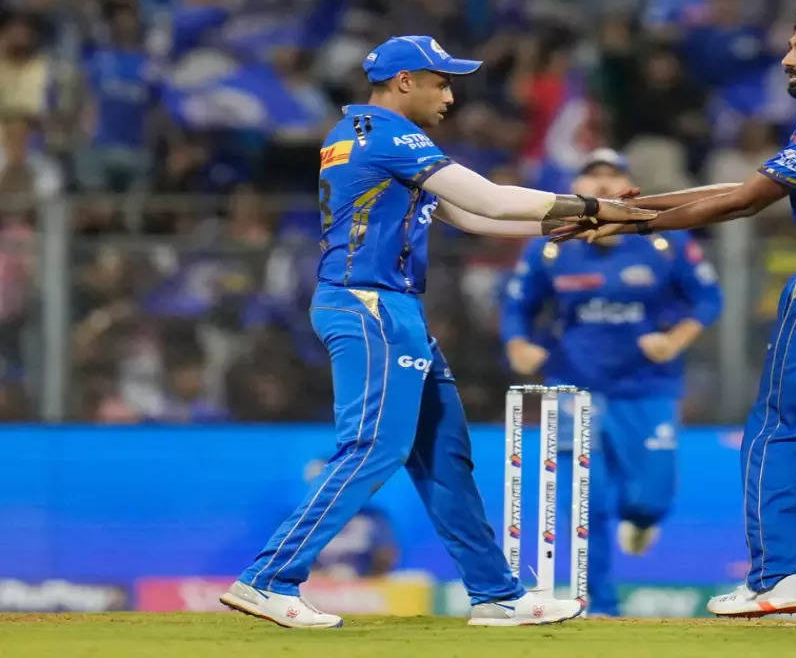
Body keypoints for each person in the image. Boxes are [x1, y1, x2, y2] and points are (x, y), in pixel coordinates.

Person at [219, 34, 655, 629]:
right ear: (404, 83)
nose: (450, 95)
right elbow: (493, 199)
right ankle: (268, 578)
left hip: (391, 310)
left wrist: (573, 224)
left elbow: (476, 217)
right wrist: (593, 208)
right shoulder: (392, 135)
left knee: (444, 455)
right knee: (373, 447)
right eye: (441, 81)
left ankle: (496, 594)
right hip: (370, 304)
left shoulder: (366, 136)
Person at [556, 11, 796, 629]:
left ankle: (775, 580)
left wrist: (632, 222)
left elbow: (744, 201)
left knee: (779, 425)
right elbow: (755, 182)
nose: (789, 60)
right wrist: (637, 204)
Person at [500, 148, 723, 616]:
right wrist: (517, 344)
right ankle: (599, 605)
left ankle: (642, 519)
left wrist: (676, 339)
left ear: (628, 188)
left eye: (612, 175)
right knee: (588, 503)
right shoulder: (550, 246)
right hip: (573, 385)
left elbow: (708, 297)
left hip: (648, 386)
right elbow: (517, 306)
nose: (602, 185)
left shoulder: (667, 242)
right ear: (575, 189)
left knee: (648, 500)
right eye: (591, 175)